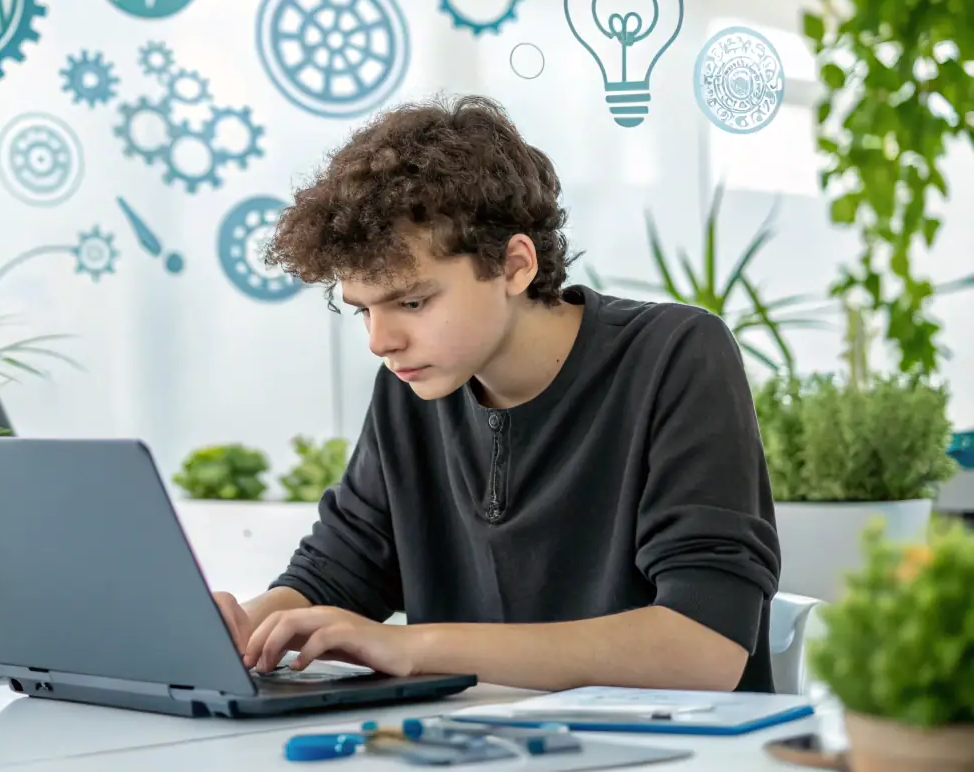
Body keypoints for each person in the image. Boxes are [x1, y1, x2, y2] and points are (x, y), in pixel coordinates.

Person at [212, 95, 781, 693]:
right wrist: (243, 628)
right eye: (364, 311)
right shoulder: (413, 389)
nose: (381, 341)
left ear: (514, 265)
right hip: (480, 749)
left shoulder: (675, 355)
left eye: (412, 302)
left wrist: (413, 647)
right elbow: (338, 572)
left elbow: (704, 649)